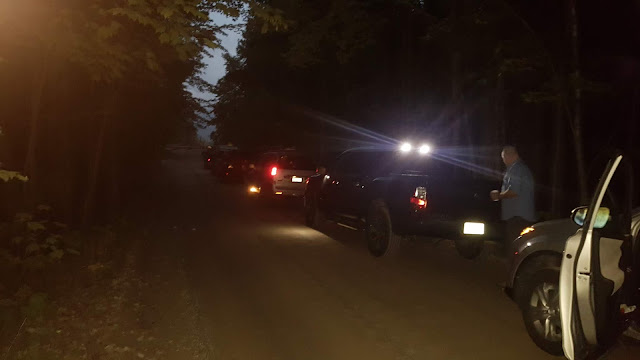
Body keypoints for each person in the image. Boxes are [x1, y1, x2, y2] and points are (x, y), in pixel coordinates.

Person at [490, 146, 536, 252]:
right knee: (520, 247)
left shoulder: (516, 169)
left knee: (514, 248)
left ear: (512, 155)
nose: (504, 161)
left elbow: (514, 192)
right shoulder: (521, 169)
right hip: (521, 216)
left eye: (504, 158)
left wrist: (498, 195)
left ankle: (514, 268)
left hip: (517, 217)